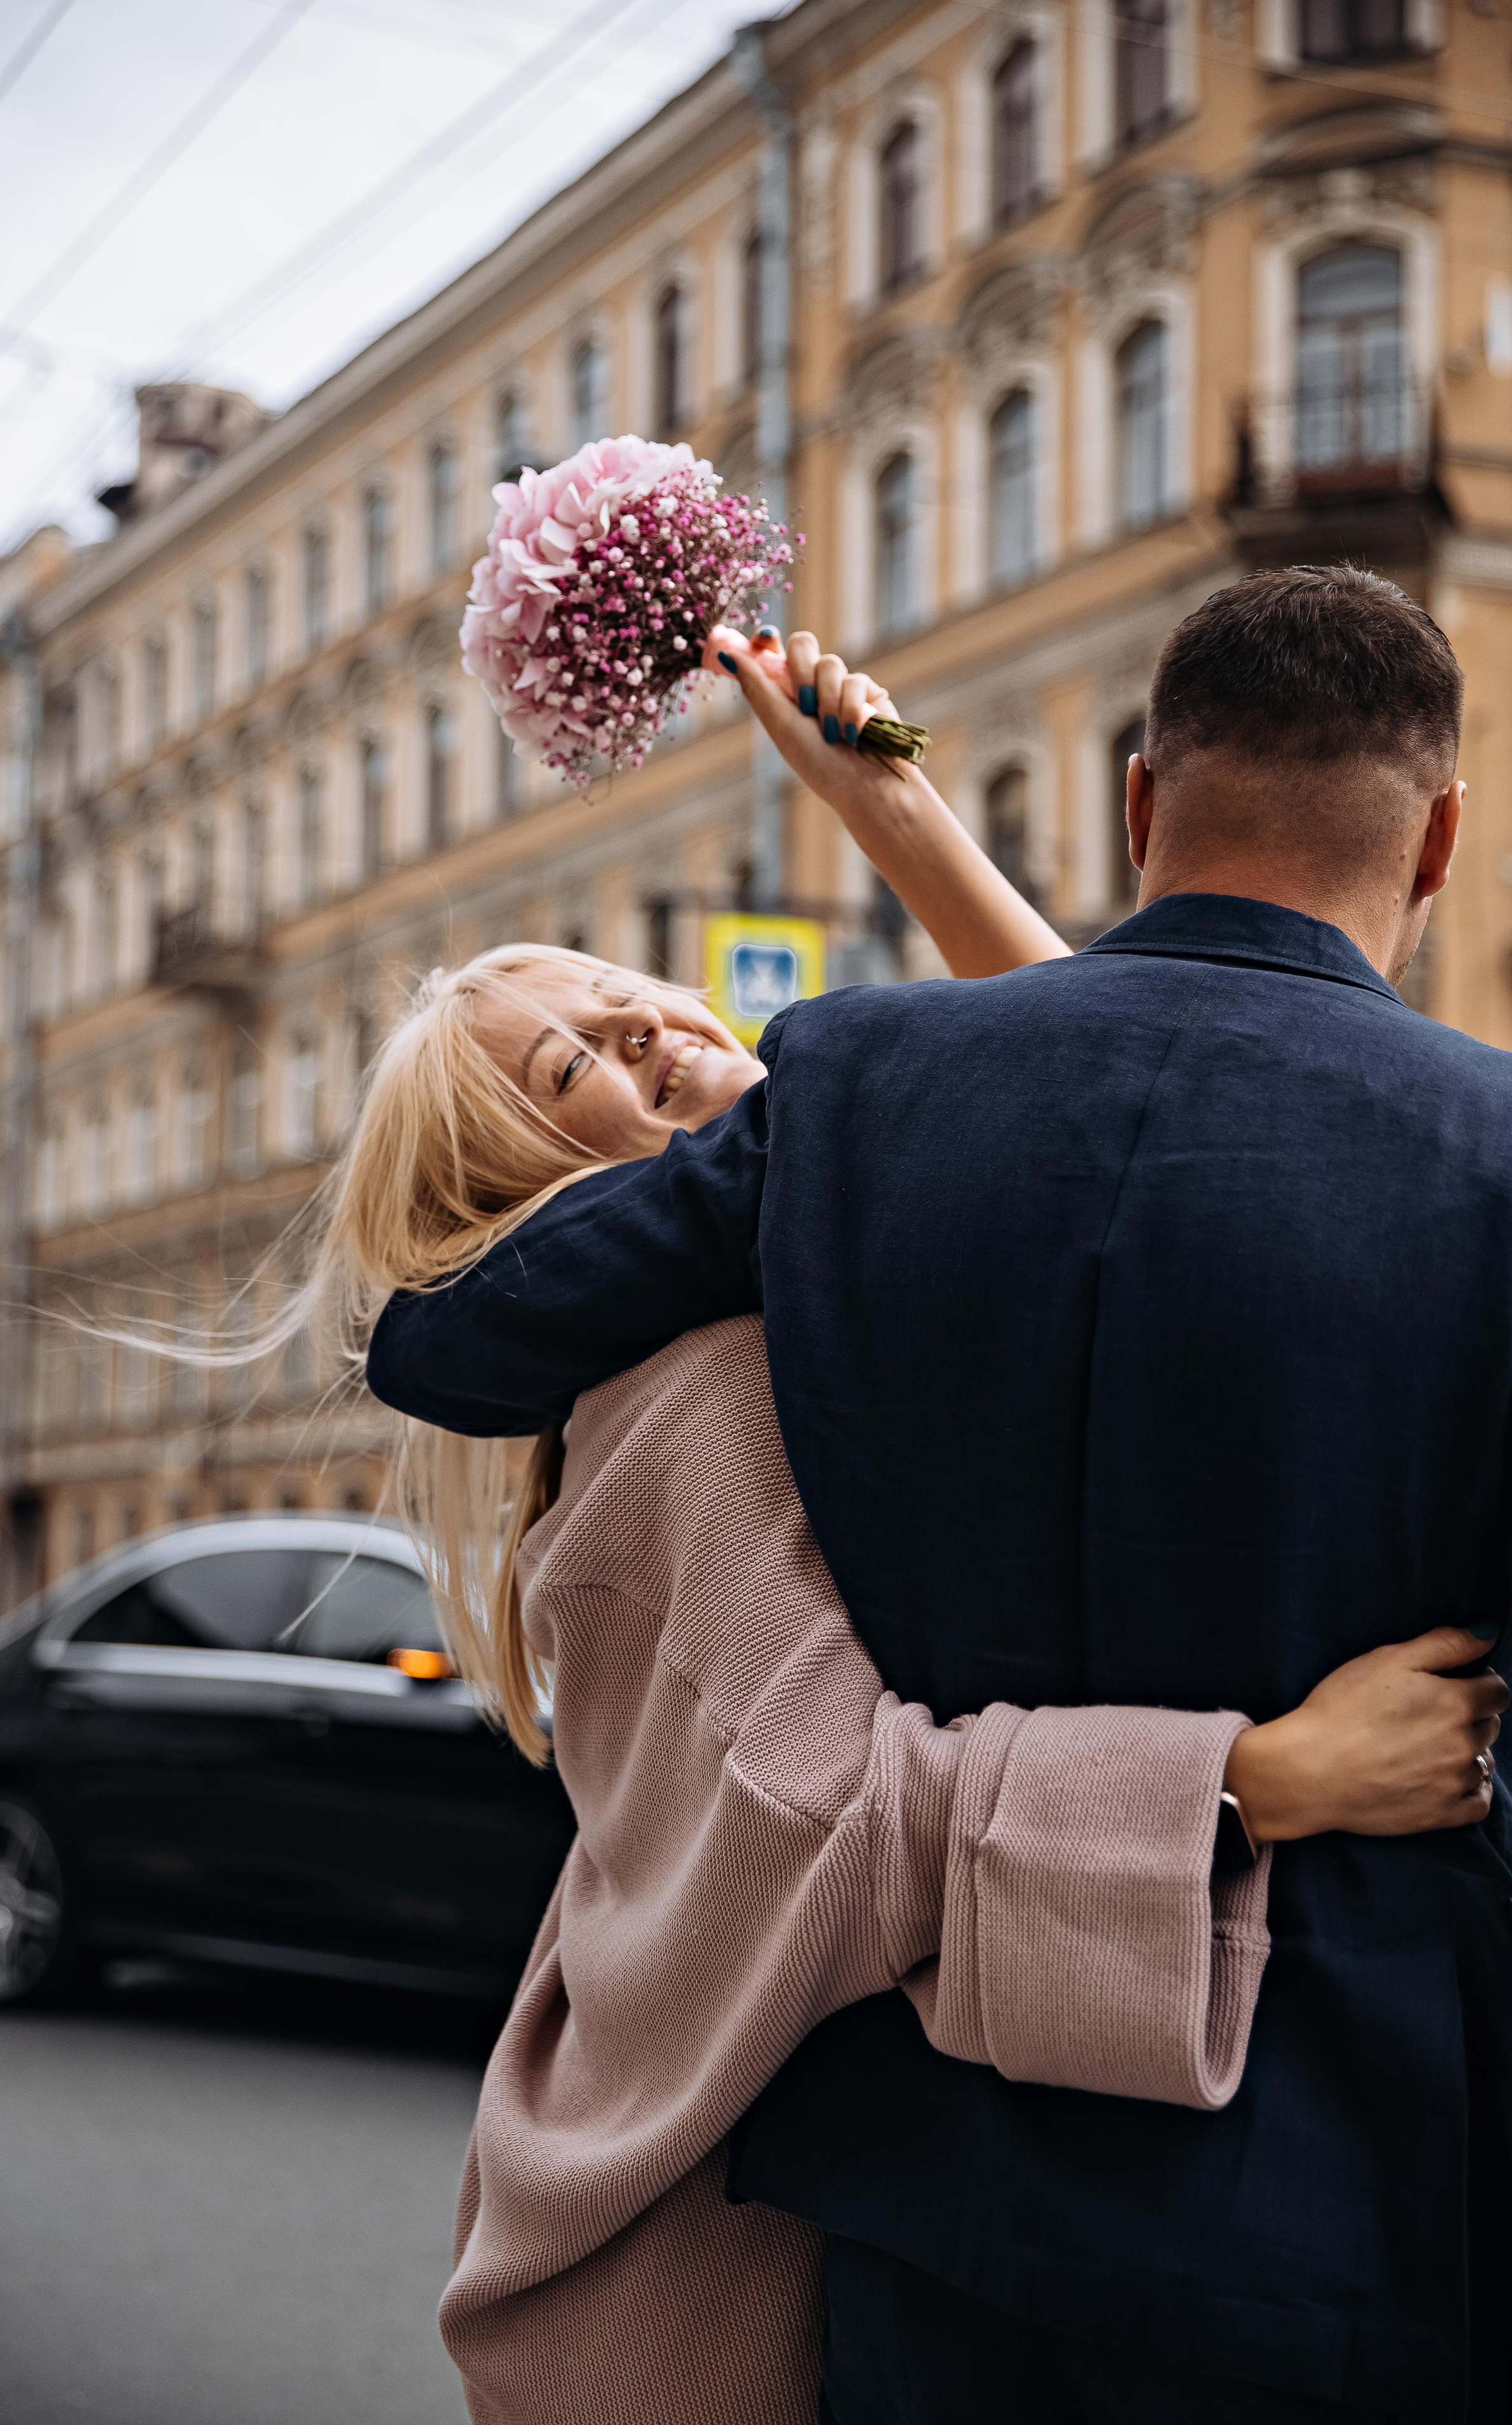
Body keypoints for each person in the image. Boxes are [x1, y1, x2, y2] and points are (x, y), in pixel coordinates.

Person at [364, 570, 1512, 2424]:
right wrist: (1261, 1771)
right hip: (1371, 2171)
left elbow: (1147, 1068)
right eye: (579, 1056)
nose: (649, 1035)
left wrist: (896, 834)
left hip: (944, 2194)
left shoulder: (860, 1099)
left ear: (1141, 803)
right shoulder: (1479, 1152)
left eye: (629, 1003)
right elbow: (1188, 1083)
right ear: (1446, 832)